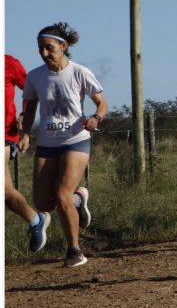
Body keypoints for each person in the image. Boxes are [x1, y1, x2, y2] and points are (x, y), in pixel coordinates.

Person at [18, 23, 106, 267]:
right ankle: (79, 199)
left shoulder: (79, 72)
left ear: (63, 46)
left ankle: (74, 250)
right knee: (44, 203)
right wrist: (25, 134)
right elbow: (29, 108)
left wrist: (96, 118)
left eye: (49, 48)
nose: (44, 54)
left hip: (76, 140)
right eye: (40, 49)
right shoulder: (35, 76)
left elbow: (102, 104)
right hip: (46, 142)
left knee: (61, 195)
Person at [5, 54, 50, 253]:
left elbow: (31, 91)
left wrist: (24, 118)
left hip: (5, 134)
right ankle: (35, 220)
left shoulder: (10, 63)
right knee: (5, 193)